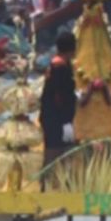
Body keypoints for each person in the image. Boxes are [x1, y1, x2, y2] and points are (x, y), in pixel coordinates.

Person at [39, 31, 77, 168]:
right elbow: (61, 96)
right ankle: (47, 182)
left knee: (58, 149)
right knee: (54, 150)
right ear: (72, 49)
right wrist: (66, 121)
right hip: (56, 118)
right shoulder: (60, 68)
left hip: (53, 116)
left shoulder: (57, 64)